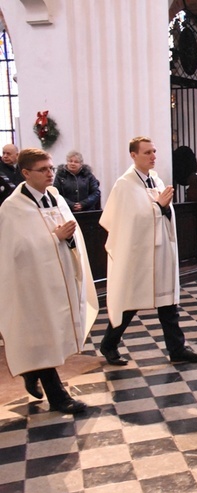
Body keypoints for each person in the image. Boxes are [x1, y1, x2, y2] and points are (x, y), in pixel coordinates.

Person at [0, 148, 98, 414]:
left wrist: (66, 237)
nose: (50, 174)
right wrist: (54, 238)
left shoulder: (55, 198)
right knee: (42, 332)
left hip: (59, 277)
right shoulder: (12, 207)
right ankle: (58, 397)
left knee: (50, 334)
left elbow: (70, 235)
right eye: (43, 169)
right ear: (26, 173)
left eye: (51, 168)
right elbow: (17, 250)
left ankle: (32, 372)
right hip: (32, 282)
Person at [98, 136, 197, 366]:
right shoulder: (125, 184)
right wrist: (158, 207)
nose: (153, 156)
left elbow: (164, 213)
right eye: (147, 152)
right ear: (133, 155)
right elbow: (126, 220)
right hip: (137, 252)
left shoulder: (156, 180)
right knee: (130, 301)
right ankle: (109, 344)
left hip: (160, 250)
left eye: (154, 152)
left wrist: (164, 209)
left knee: (167, 301)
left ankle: (177, 349)